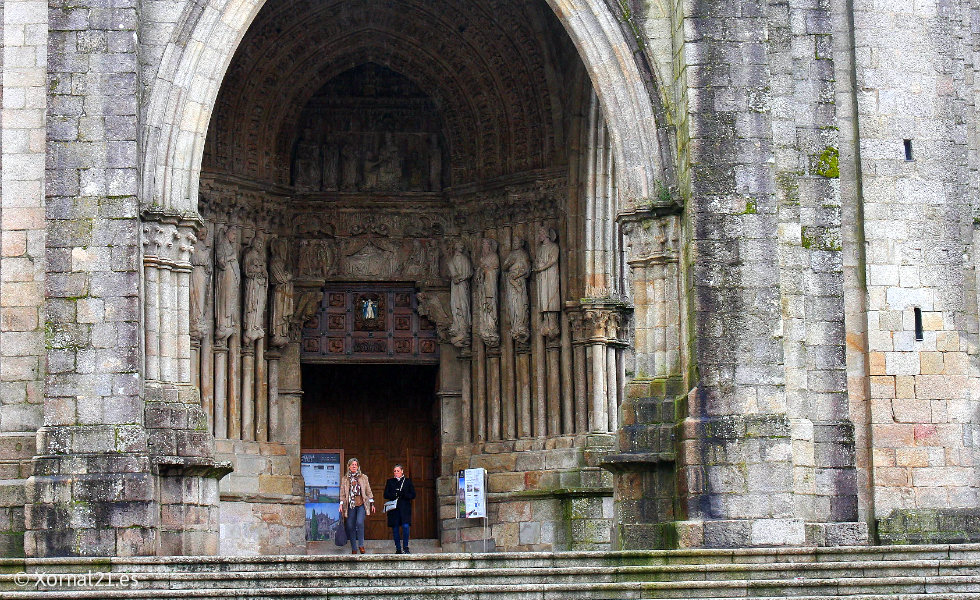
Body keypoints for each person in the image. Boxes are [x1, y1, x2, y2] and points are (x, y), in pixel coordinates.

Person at [339, 458, 375, 555]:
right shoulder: (345, 479)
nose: (354, 466)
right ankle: (354, 548)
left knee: (359, 522)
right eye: (352, 465)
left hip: (361, 504)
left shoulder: (363, 477)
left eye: (355, 465)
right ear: (349, 466)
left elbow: (368, 490)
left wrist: (372, 503)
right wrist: (341, 504)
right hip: (351, 504)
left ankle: (361, 545)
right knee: (350, 525)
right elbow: (342, 492)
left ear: (358, 466)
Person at [383, 464, 417, 554]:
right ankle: (398, 548)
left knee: (405, 526)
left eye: (398, 471)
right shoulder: (390, 481)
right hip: (394, 509)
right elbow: (385, 494)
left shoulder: (407, 481)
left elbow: (413, 494)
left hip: (405, 508)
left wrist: (404, 494)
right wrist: (394, 494)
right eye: (394, 471)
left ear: (402, 471)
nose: (396, 473)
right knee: (395, 528)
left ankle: (405, 547)